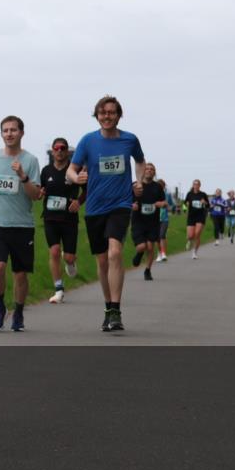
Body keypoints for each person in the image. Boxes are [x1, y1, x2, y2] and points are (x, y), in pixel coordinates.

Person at [67, 95, 145, 332]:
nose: (106, 116)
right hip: (94, 207)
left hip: (120, 205)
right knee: (102, 262)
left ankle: (116, 309)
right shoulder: (88, 141)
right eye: (102, 113)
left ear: (119, 115)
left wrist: (138, 181)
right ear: (97, 116)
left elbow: (140, 161)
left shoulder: (129, 140)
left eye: (111, 112)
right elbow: (71, 169)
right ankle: (108, 306)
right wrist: (76, 177)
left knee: (114, 253)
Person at [0, 116, 42, 330]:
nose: (9, 134)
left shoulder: (31, 160)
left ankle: (18, 312)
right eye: (5, 130)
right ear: (1, 134)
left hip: (22, 225)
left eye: (13, 130)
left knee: (20, 273)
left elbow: (36, 196)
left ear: (21, 133)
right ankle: (0, 309)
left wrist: (23, 177)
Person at [37, 137, 84, 304]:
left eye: (62, 148)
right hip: (50, 218)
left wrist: (78, 202)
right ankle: (58, 289)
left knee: (69, 257)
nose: (59, 151)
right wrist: (39, 193)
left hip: (69, 219)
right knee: (54, 251)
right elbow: (39, 191)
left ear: (67, 151)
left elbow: (87, 190)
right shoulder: (46, 171)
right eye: (56, 148)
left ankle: (70, 262)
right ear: (52, 150)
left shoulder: (75, 170)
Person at [130, 163, 166, 280]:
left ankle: (147, 270)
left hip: (153, 222)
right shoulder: (136, 185)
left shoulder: (158, 187)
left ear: (154, 172)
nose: (149, 171)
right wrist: (132, 205)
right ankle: (139, 254)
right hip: (138, 221)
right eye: (147, 169)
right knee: (141, 247)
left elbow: (165, 203)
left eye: (152, 169)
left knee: (150, 247)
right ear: (143, 171)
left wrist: (161, 204)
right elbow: (126, 200)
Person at [184, 180, 210, 259]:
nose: (196, 185)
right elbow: (185, 203)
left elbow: (208, 205)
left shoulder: (203, 194)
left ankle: (194, 252)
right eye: (195, 184)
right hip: (191, 216)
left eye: (197, 184)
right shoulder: (189, 194)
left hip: (200, 216)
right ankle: (189, 241)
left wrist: (204, 202)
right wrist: (186, 204)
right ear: (193, 185)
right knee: (190, 235)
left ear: (199, 186)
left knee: (197, 233)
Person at [157, 178, 171, 261]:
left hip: (164, 218)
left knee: (162, 235)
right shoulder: (153, 194)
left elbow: (171, 205)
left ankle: (163, 253)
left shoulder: (167, 195)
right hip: (154, 219)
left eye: (161, 186)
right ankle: (159, 253)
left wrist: (168, 206)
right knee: (157, 237)